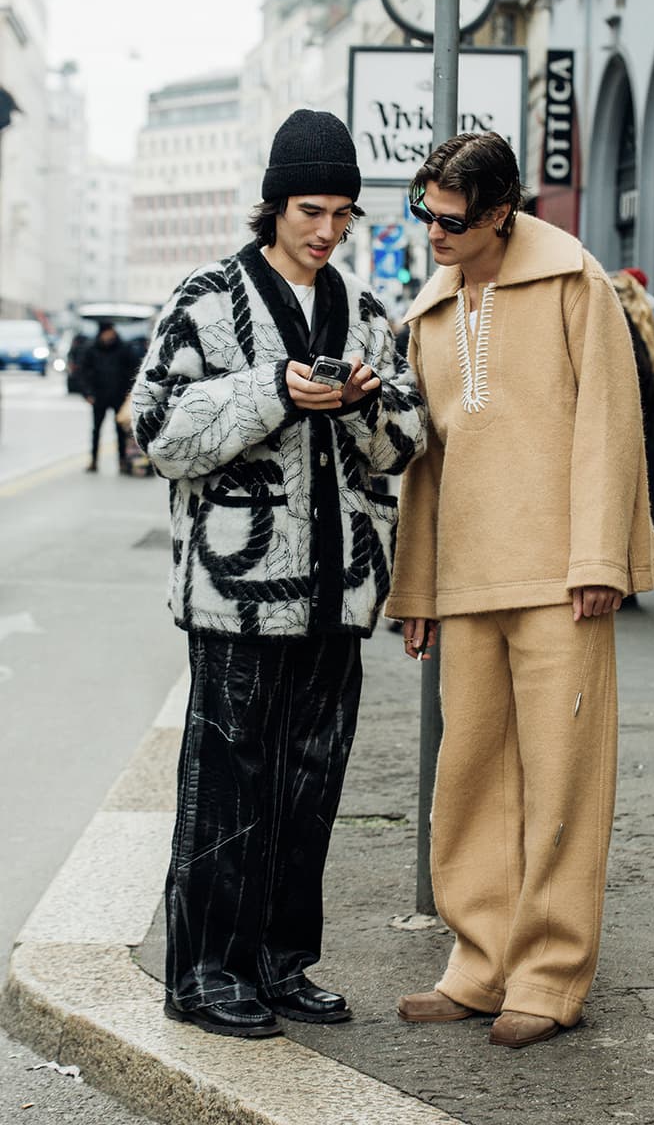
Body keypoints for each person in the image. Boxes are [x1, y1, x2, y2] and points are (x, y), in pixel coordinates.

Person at [130, 109, 426, 1040]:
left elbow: (409, 442)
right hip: (238, 598)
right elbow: (159, 431)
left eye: (342, 212)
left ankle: (280, 964)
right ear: (273, 205)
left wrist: (365, 405)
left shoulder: (368, 313)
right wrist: (269, 390)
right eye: (310, 208)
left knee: (310, 787)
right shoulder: (209, 298)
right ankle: (204, 973)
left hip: (340, 594)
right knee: (227, 785)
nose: (327, 229)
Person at [384, 132, 654, 1049]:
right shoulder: (425, 312)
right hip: (466, 576)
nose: (432, 229)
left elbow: (609, 428)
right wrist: (416, 589)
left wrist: (598, 560)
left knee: (561, 779)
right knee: (466, 779)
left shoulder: (575, 285)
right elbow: (426, 464)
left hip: (559, 576)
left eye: (450, 217)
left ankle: (547, 977)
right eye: (421, 211)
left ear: (502, 212)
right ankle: (478, 963)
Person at [610, 270, 654, 571]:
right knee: (652, 495)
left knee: (622, 501)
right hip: (651, 425)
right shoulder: (653, 326)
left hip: (627, 425)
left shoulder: (616, 322)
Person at [79, 321, 138, 473]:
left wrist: (129, 392)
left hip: (118, 395)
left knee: (120, 430)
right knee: (96, 429)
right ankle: (93, 460)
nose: (109, 334)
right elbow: (83, 372)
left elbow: (133, 370)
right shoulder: (92, 349)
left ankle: (122, 461)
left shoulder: (123, 348)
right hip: (99, 396)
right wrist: (88, 393)